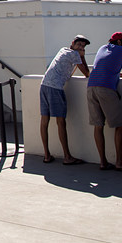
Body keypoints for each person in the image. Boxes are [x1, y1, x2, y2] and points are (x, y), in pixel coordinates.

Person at [87, 32, 122, 171]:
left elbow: (106, 67)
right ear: (120, 42)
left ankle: (103, 162)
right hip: (106, 88)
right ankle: (120, 162)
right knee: (120, 125)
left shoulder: (102, 48)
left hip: (91, 87)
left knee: (98, 126)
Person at [40, 34, 91, 164]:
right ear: (73, 43)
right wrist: (82, 56)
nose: (80, 47)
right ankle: (67, 157)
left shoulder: (63, 50)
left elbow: (68, 72)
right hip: (55, 88)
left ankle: (46, 155)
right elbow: (86, 73)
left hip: (44, 84)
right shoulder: (74, 54)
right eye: (79, 45)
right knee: (61, 122)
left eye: (83, 47)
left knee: (44, 120)